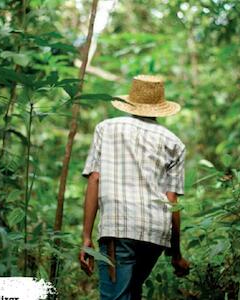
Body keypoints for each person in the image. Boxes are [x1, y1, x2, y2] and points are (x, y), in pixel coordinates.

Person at [78, 75, 190, 300]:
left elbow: (94, 180)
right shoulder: (174, 143)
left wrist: (86, 237)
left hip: (118, 228)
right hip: (156, 233)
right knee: (131, 292)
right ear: (160, 107)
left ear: (130, 102)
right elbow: (172, 202)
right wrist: (176, 253)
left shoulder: (106, 129)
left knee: (116, 296)